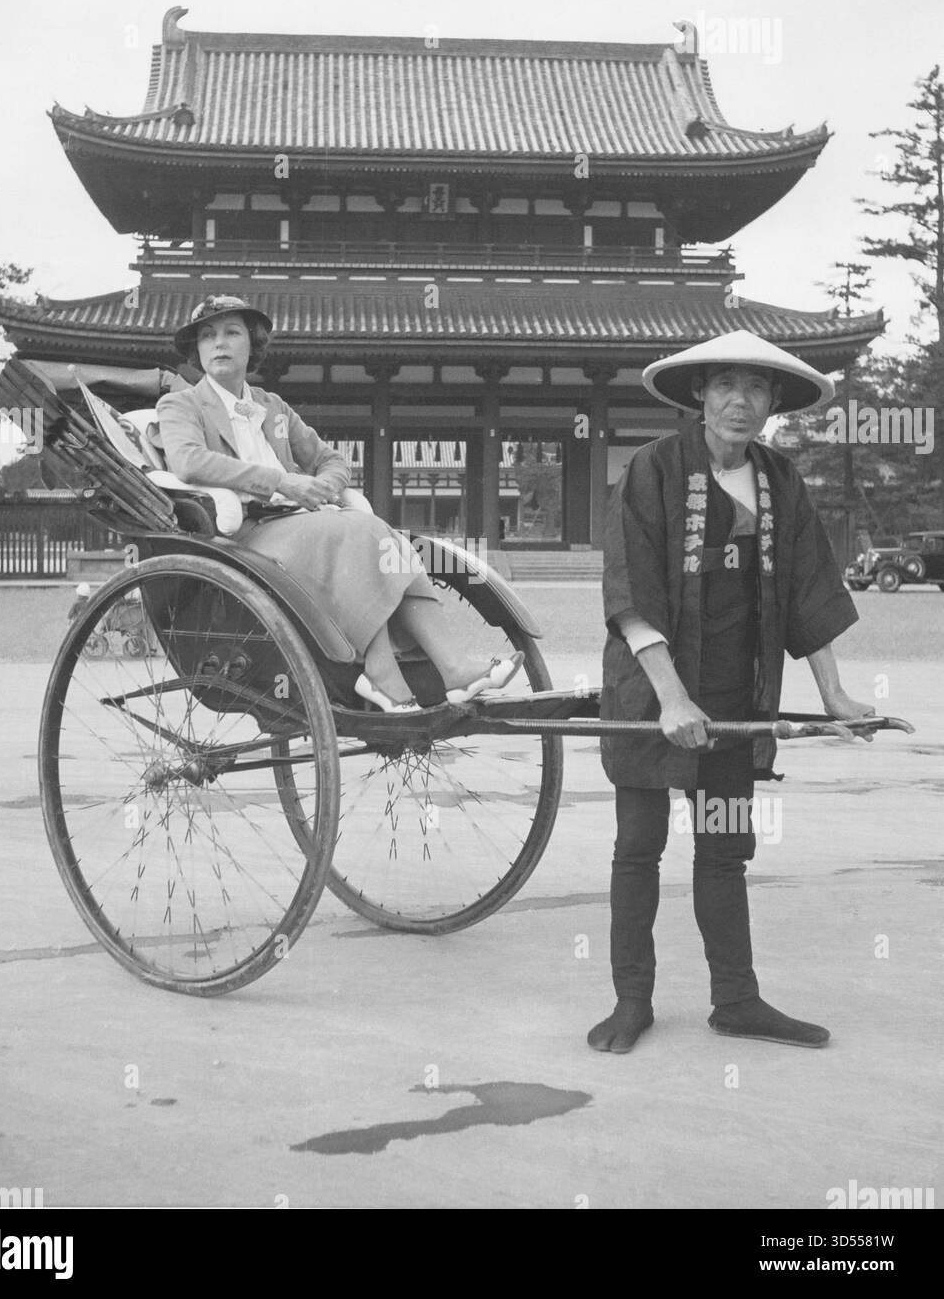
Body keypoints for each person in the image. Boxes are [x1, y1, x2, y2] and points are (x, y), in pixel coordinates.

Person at [590, 330, 874, 1054]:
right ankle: (631, 1000)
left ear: (774, 402)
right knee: (639, 846)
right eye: (725, 387)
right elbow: (631, 595)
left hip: (736, 696)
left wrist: (835, 693)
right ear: (700, 396)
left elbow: (810, 589)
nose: (739, 402)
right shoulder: (652, 469)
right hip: (652, 694)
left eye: (755, 388)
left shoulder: (779, 479)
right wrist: (673, 700)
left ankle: (736, 1000)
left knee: (722, 848)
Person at [156, 295, 521, 712]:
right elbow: (188, 461)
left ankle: (452, 670)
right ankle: (382, 673)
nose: (219, 343)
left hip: (303, 523)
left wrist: (322, 487)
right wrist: (282, 481)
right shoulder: (181, 404)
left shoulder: (272, 406)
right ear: (197, 350)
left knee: (389, 543)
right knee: (357, 529)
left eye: (231, 333)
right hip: (245, 535)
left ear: (251, 345)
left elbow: (330, 459)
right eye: (208, 336)